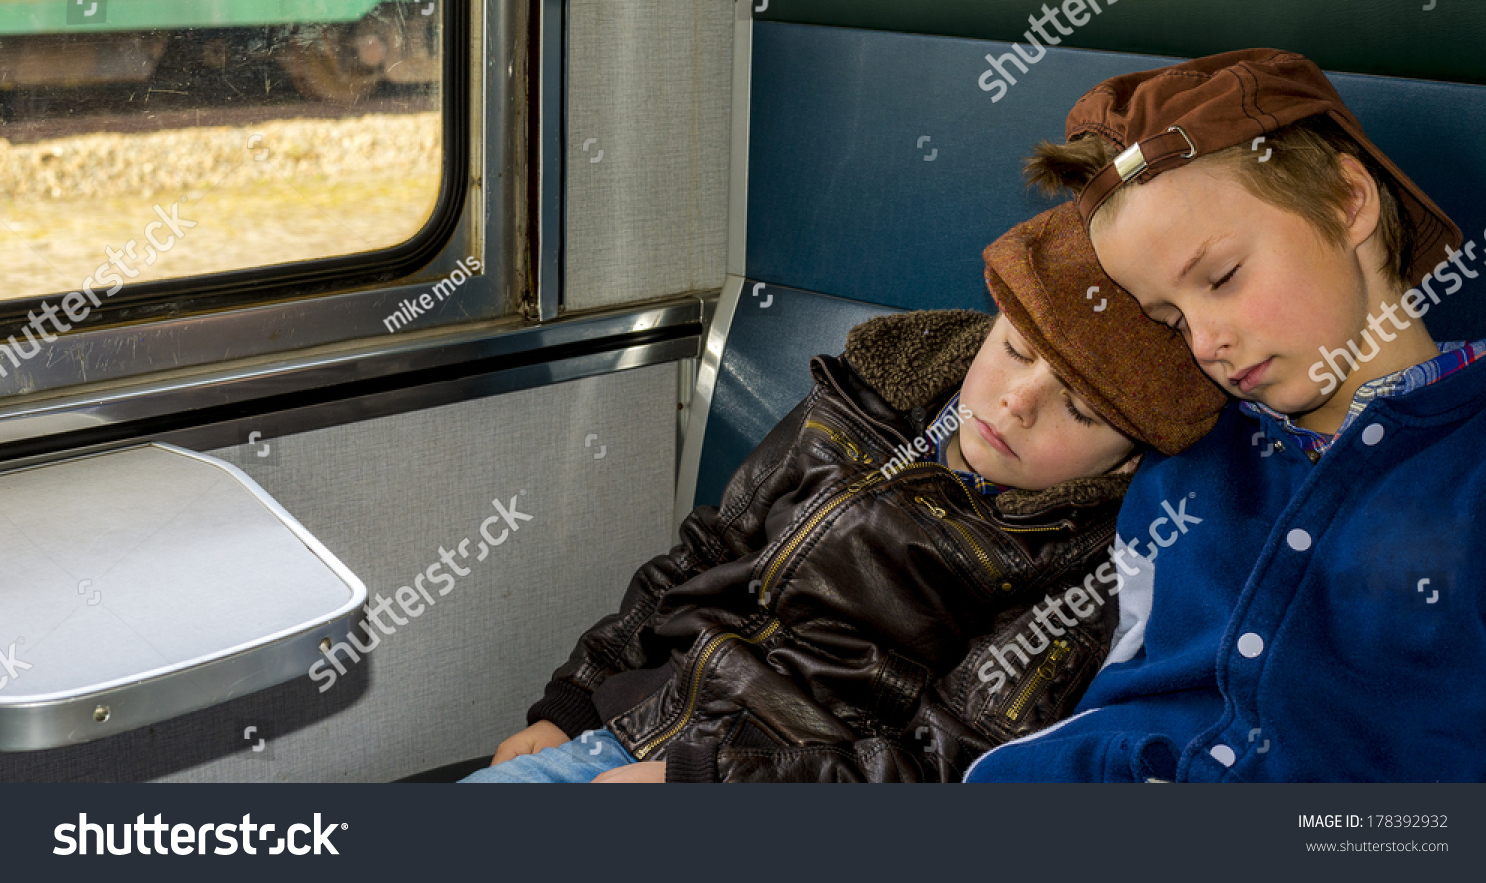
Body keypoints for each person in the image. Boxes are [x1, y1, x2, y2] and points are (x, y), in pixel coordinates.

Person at [461, 203, 1224, 783]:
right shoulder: (864, 405)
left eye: (1081, 409)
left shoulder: (1081, 569)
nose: (1017, 401)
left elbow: (946, 760)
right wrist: (574, 700)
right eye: (1015, 349)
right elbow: (706, 551)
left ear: (1129, 461)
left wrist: (704, 782)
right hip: (632, 720)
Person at [966, 47, 1486, 783]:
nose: (1206, 342)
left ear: (1349, 200)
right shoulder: (1190, 460)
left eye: (1222, 277)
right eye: (1169, 318)